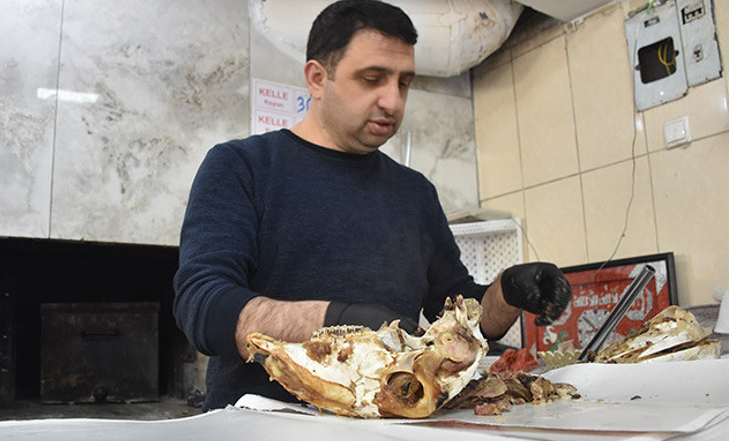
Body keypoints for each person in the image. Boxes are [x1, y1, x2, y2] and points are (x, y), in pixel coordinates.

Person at [173, 0, 571, 411]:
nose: (393, 101)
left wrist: (508, 292)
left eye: (403, 82)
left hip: (391, 432)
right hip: (260, 435)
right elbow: (203, 305)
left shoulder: (414, 192)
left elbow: (458, 319)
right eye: (372, 79)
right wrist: (333, 322)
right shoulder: (243, 167)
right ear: (316, 78)